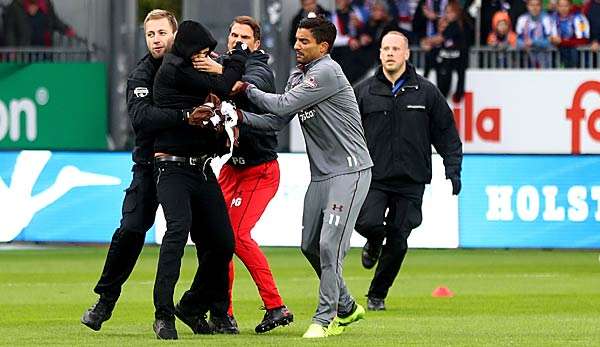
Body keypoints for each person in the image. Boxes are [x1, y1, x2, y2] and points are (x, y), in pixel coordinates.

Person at [222, 15, 373, 339]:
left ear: (324, 46)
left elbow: (283, 103)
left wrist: (247, 89)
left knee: (329, 246)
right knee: (309, 246)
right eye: (297, 39)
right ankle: (346, 307)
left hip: (350, 171)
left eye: (305, 41)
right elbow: (275, 121)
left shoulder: (327, 72)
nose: (297, 45)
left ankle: (325, 318)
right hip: (321, 176)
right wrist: (239, 117)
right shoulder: (297, 75)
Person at [81, 9, 188, 332]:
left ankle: (207, 306)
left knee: (216, 240)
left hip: (185, 168)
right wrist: (184, 115)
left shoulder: (192, 67)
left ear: (175, 33)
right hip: (148, 168)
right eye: (150, 34)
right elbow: (142, 118)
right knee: (129, 231)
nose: (156, 40)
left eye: (162, 33)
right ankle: (105, 301)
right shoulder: (141, 75)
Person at [190, 15, 294, 334]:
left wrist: (218, 73)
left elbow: (250, 85)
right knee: (214, 238)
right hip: (233, 168)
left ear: (256, 44)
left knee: (234, 237)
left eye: (244, 37)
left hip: (260, 170)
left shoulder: (259, 68)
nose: (237, 40)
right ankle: (225, 314)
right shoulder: (225, 63)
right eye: (233, 34)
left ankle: (276, 306)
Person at [150, 20, 247, 339]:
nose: (207, 58)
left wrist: (224, 66)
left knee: (222, 243)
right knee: (176, 234)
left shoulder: (187, 65)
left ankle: (192, 305)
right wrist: (234, 60)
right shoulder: (175, 68)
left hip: (201, 168)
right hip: (172, 168)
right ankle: (163, 315)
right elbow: (225, 86)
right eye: (203, 53)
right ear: (191, 51)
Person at [353, 31, 462, 311]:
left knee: (399, 240)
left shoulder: (426, 92)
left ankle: (377, 295)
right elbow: (347, 132)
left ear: (406, 54)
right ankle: (373, 241)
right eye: (385, 48)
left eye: (395, 49)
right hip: (374, 176)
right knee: (366, 223)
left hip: (411, 179)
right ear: (379, 53)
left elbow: (446, 132)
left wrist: (453, 169)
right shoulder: (363, 92)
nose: (390, 53)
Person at [4, 0, 75, 47]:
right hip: (24, 51)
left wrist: (67, 29)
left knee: (44, 69)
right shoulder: (15, 6)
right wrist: (11, 50)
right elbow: (9, 30)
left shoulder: (47, 4)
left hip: (45, 50)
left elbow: (54, 20)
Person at [549, 0, 590, 67]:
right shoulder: (552, 18)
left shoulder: (580, 18)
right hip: (557, 55)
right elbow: (550, 37)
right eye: (561, 6)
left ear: (571, 6)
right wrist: (552, 40)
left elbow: (583, 40)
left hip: (578, 57)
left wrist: (562, 41)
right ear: (557, 7)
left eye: (566, 6)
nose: (563, 8)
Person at [515, 0, 554, 68]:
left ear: (541, 6)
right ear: (527, 6)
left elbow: (549, 41)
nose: (534, 8)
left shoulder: (546, 19)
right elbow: (517, 40)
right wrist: (523, 44)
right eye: (532, 5)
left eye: (537, 5)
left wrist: (533, 42)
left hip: (544, 61)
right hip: (526, 61)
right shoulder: (522, 19)